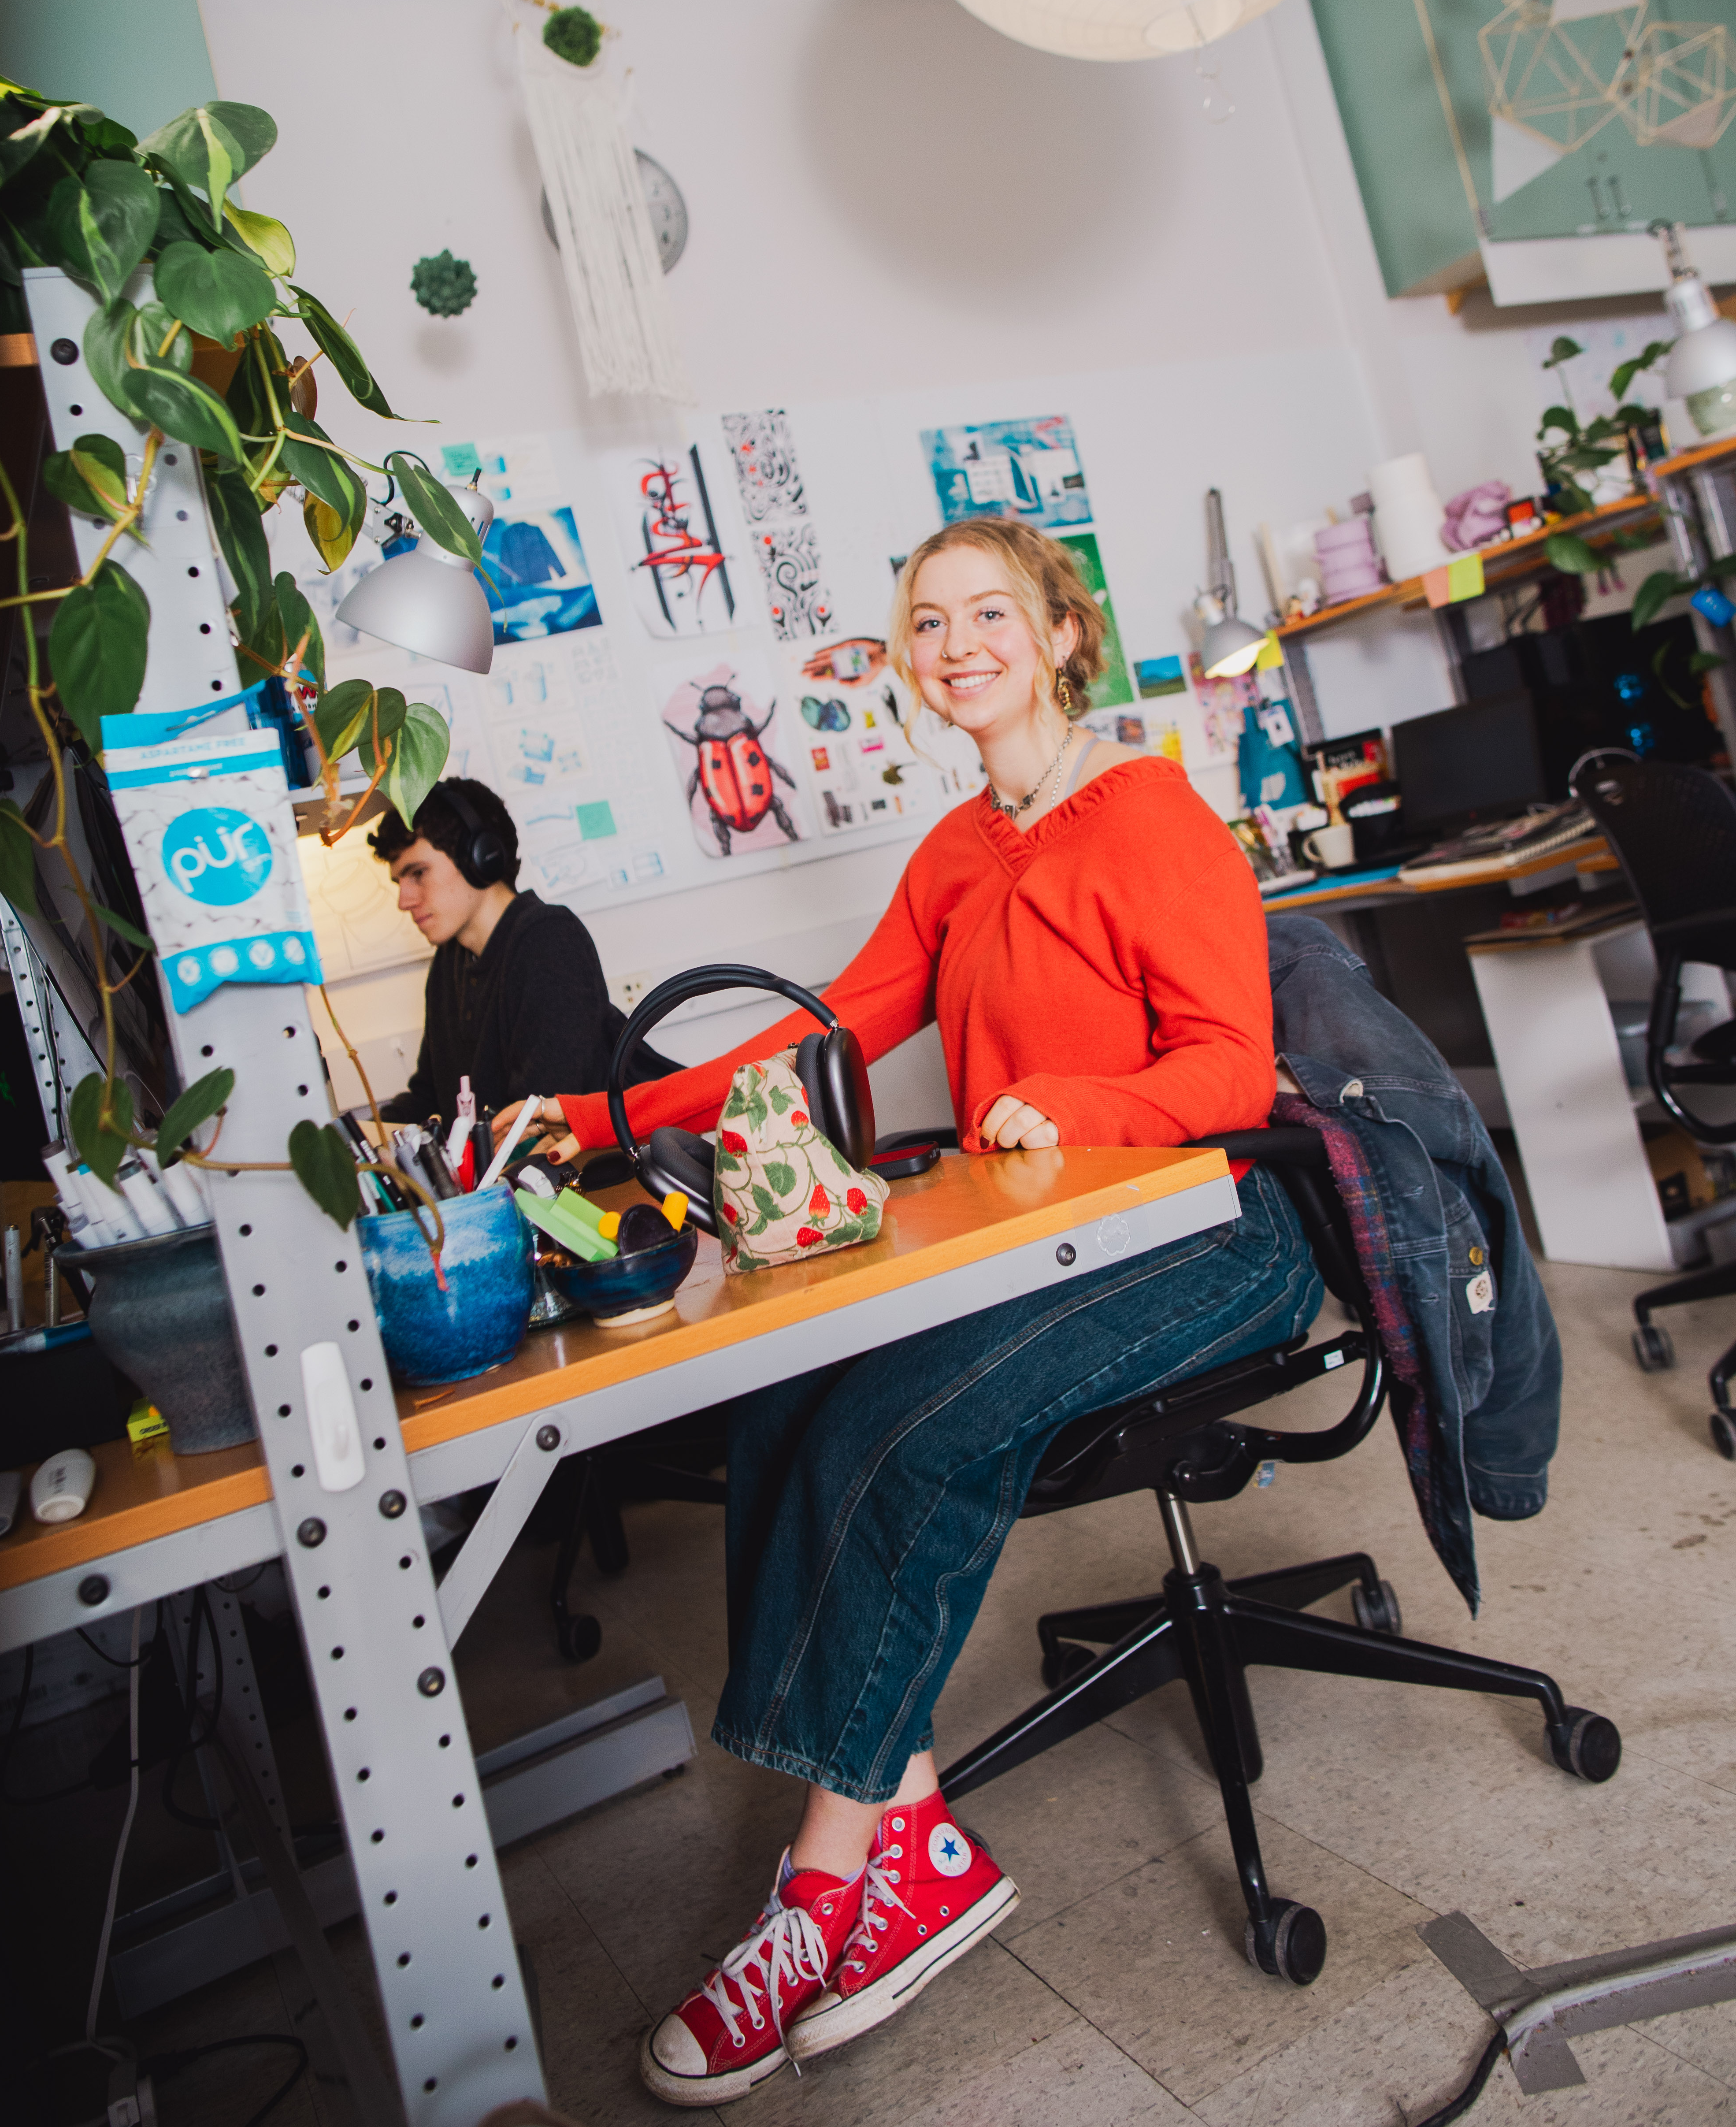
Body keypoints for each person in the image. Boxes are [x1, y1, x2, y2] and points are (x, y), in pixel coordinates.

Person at [495, 520, 1321, 2106]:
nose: (954, 643)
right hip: (1047, 1240)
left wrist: (1066, 1101)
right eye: (925, 622)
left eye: (986, 612)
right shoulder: (955, 849)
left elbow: (1229, 1070)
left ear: (1059, 631)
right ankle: (910, 1820)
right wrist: (589, 1110)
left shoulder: (1150, 815)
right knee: (786, 1394)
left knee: (894, 1424)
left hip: (1214, 1227)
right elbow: (819, 1033)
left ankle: (823, 1883)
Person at [367, 776, 675, 1126]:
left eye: (418, 873)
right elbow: (431, 1096)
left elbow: (538, 1117)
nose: (404, 901)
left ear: (479, 858)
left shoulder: (547, 939)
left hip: (593, 1174)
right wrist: (360, 1139)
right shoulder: (449, 962)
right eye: (399, 882)